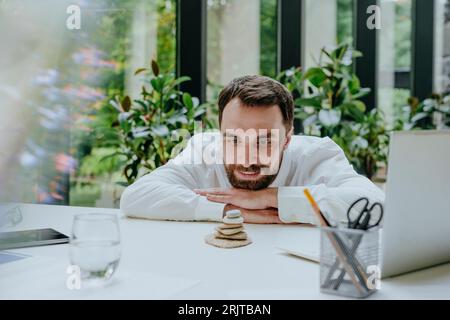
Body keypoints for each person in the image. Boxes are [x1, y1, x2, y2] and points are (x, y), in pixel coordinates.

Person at [120, 75, 384, 224]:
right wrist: (231, 211)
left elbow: (375, 205)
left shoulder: (317, 154)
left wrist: (272, 198)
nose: (247, 158)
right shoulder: (202, 148)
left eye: (264, 140)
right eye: (233, 139)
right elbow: (135, 196)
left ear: (287, 139)